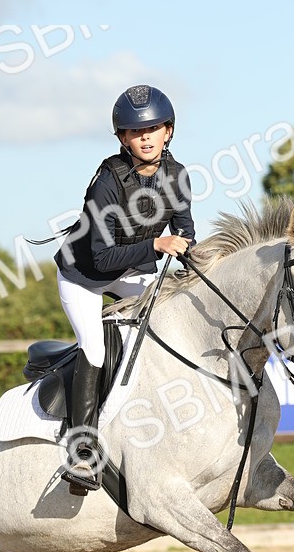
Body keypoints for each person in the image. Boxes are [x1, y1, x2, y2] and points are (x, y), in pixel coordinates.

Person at [55, 84, 195, 492]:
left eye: (153, 128)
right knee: (95, 348)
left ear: (168, 131)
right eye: (136, 132)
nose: (145, 137)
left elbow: (186, 235)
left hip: (131, 269)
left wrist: (199, 266)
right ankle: (82, 455)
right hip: (83, 274)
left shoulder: (177, 176)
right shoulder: (107, 182)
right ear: (122, 139)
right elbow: (100, 259)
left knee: (170, 321)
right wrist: (155, 244)